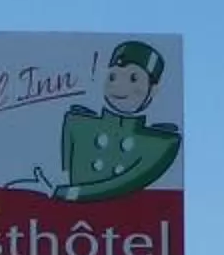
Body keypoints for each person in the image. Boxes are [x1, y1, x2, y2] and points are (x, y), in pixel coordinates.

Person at [11, 39, 182, 201]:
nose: (120, 86)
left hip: (127, 221)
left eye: (133, 79)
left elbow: (124, 183)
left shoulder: (161, 143)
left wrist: (61, 193)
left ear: (153, 90)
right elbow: (67, 168)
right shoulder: (79, 123)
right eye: (113, 77)